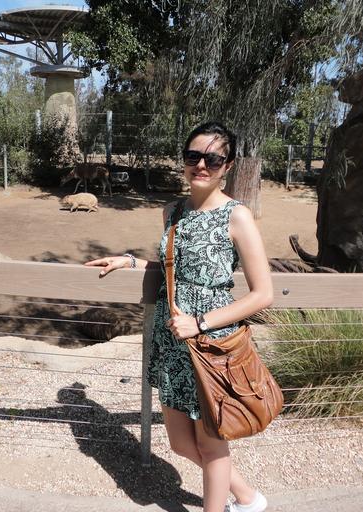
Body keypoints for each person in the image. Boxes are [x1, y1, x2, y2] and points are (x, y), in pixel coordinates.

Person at [85, 121, 273, 512]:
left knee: (211, 443)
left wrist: (200, 323)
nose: (201, 165)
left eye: (213, 159)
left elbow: (263, 294)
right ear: (184, 160)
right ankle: (249, 497)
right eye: (193, 156)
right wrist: (132, 262)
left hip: (210, 344)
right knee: (181, 444)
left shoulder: (237, 216)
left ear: (228, 166)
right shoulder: (172, 211)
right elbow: (177, 268)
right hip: (171, 340)